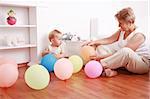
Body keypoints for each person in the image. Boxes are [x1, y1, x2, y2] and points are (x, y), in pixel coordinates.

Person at [85, 7, 150, 77]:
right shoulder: (122, 31)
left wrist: (100, 57)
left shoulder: (139, 35)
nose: (118, 26)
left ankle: (100, 65)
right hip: (126, 64)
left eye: (121, 23)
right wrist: (94, 42)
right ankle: (110, 70)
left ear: (130, 22)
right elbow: (108, 40)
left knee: (126, 51)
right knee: (101, 47)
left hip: (141, 64)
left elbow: (122, 52)